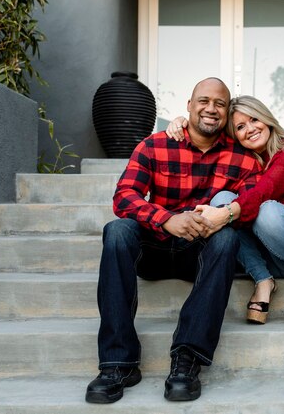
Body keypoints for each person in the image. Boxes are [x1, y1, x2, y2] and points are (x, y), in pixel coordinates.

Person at [85, 78, 261, 404]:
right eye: (204, 101)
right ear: (189, 106)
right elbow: (124, 197)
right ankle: (117, 363)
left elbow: (253, 205)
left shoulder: (243, 158)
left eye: (220, 104)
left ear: (227, 112)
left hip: (200, 253)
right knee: (117, 230)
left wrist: (213, 219)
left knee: (227, 239)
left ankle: (187, 360)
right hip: (154, 247)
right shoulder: (155, 145)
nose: (211, 109)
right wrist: (167, 219)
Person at [166, 95, 284, 327]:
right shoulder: (246, 159)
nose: (251, 129)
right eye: (241, 127)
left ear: (266, 118)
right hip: (272, 255)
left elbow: (264, 191)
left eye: (255, 119)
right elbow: (208, 136)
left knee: (264, 209)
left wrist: (225, 215)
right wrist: (183, 123)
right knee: (222, 198)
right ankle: (263, 280)